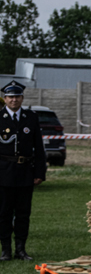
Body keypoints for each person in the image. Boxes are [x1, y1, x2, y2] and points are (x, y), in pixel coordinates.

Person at [0, 81, 46, 261]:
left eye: (17, 96)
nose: (14, 100)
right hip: (3, 173)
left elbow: (39, 148)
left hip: (25, 172)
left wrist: (39, 173)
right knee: (3, 213)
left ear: (22, 98)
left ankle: (21, 249)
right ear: (5, 99)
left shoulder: (30, 117)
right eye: (10, 97)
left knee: (23, 213)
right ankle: (5, 250)